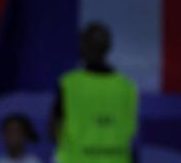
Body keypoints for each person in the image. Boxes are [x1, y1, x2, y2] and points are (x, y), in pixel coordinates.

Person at [51, 22, 138, 163]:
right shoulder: (127, 87)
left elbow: (54, 131)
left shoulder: (69, 84)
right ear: (109, 47)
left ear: (82, 46)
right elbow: (131, 133)